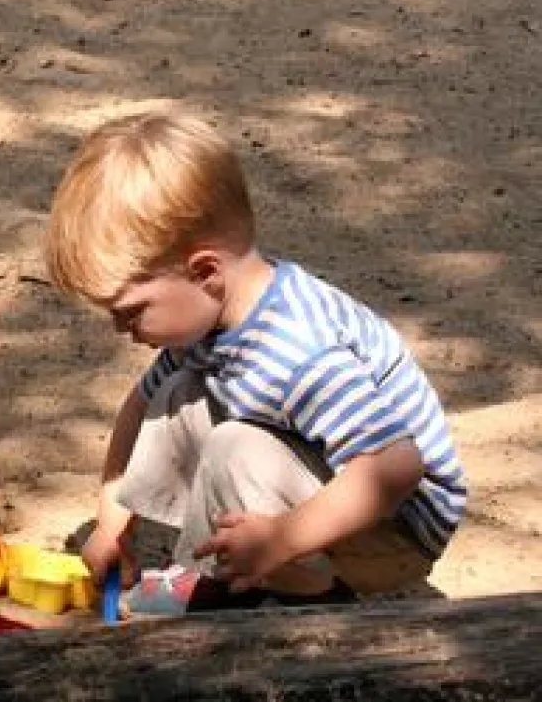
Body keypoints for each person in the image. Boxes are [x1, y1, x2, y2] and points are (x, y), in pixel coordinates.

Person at [43, 101, 466, 614]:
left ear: (205, 273)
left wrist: (282, 538)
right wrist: (111, 525)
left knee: (234, 447)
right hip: (328, 477)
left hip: (393, 529)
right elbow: (139, 407)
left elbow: (395, 467)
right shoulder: (206, 321)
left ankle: (312, 590)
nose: (120, 330)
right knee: (174, 397)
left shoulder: (296, 348)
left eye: (130, 313)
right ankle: (236, 565)